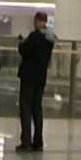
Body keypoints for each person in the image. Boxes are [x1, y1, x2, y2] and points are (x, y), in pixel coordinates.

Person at [16, 10, 55, 151]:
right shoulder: (50, 39)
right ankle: (38, 142)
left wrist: (21, 42)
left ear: (38, 21)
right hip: (41, 78)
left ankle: (26, 142)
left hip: (28, 77)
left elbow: (24, 50)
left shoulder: (34, 36)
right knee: (37, 109)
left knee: (26, 108)